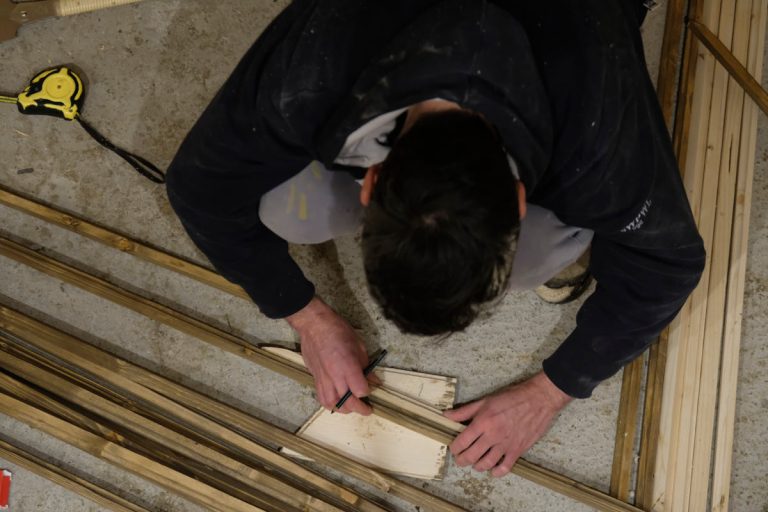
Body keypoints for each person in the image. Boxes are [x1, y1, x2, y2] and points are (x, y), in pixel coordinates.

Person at [166, 0, 705, 478]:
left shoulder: (598, 137)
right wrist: (306, 316)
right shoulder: (312, 71)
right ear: (373, 177)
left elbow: (665, 263)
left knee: (531, 261)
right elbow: (199, 188)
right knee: (291, 212)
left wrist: (552, 390)